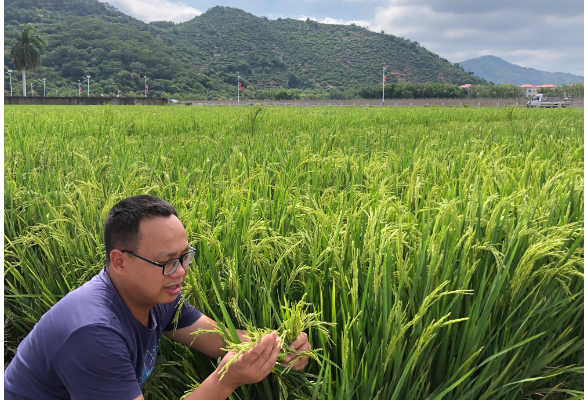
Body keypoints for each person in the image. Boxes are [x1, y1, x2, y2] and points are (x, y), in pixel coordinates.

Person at [4, 195, 312, 399]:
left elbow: (220, 340)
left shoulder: (157, 298)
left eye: (185, 257)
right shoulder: (93, 333)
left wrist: (277, 346)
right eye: (166, 262)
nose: (180, 272)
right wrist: (225, 380)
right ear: (120, 261)